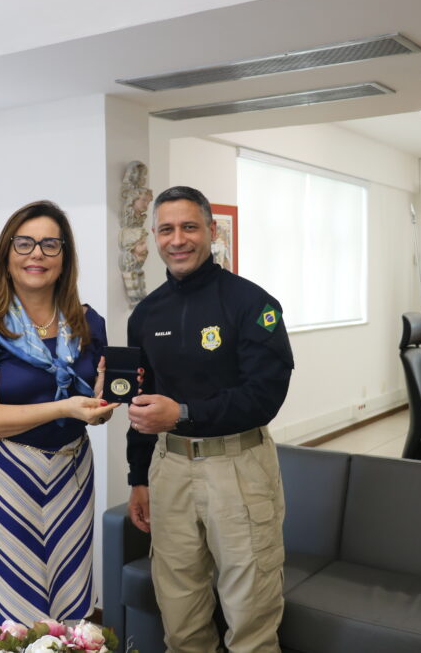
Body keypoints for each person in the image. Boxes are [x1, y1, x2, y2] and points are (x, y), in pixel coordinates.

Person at [125, 186, 294, 653]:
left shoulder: (252, 304)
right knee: (180, 621)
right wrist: (138, 476)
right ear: (155, 236)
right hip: (170, 470)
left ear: (211, 231)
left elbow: (264, 397)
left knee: (251, 622)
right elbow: (140, 405)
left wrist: (182, 412)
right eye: (166, 229)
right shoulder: (145, 314)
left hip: (237, 470)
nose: (178, 239)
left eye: (189, 227)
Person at [0, 200, 117, 629]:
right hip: (3, 478)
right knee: (7, 611)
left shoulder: (88, 323)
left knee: (68, 601)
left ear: (65, 259)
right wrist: (64, 407)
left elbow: (94, 399)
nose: (37, 254)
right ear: (6, 255)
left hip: (71, 474)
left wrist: (102, 404)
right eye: (24, 243)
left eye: (50, 245)